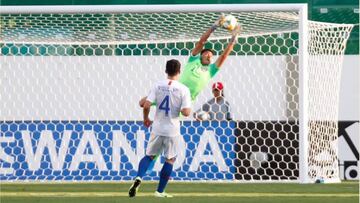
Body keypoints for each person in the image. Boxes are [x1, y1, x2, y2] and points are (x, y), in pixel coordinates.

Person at [139, 15, 241, 106]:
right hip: (174, 91)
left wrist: (234, 38)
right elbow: (201, 42)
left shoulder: (211, 70)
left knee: (175, 121)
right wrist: (213, 27)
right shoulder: (193, 60)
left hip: (186, 99)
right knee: (142, 103)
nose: (210, 55)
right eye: (207, 53)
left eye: (212, 55)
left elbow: (223, 56)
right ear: (201, 55)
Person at [128, 59, 191, 198]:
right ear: (179, 71)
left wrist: (146, 119)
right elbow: (186, 113)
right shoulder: (183, 89)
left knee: (149, 156)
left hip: (157, 128)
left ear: (166, 70)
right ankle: (159, 191)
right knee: (170, 159)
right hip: (172, 130)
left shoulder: (157, 85)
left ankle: (139, 177)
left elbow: (145, 105)